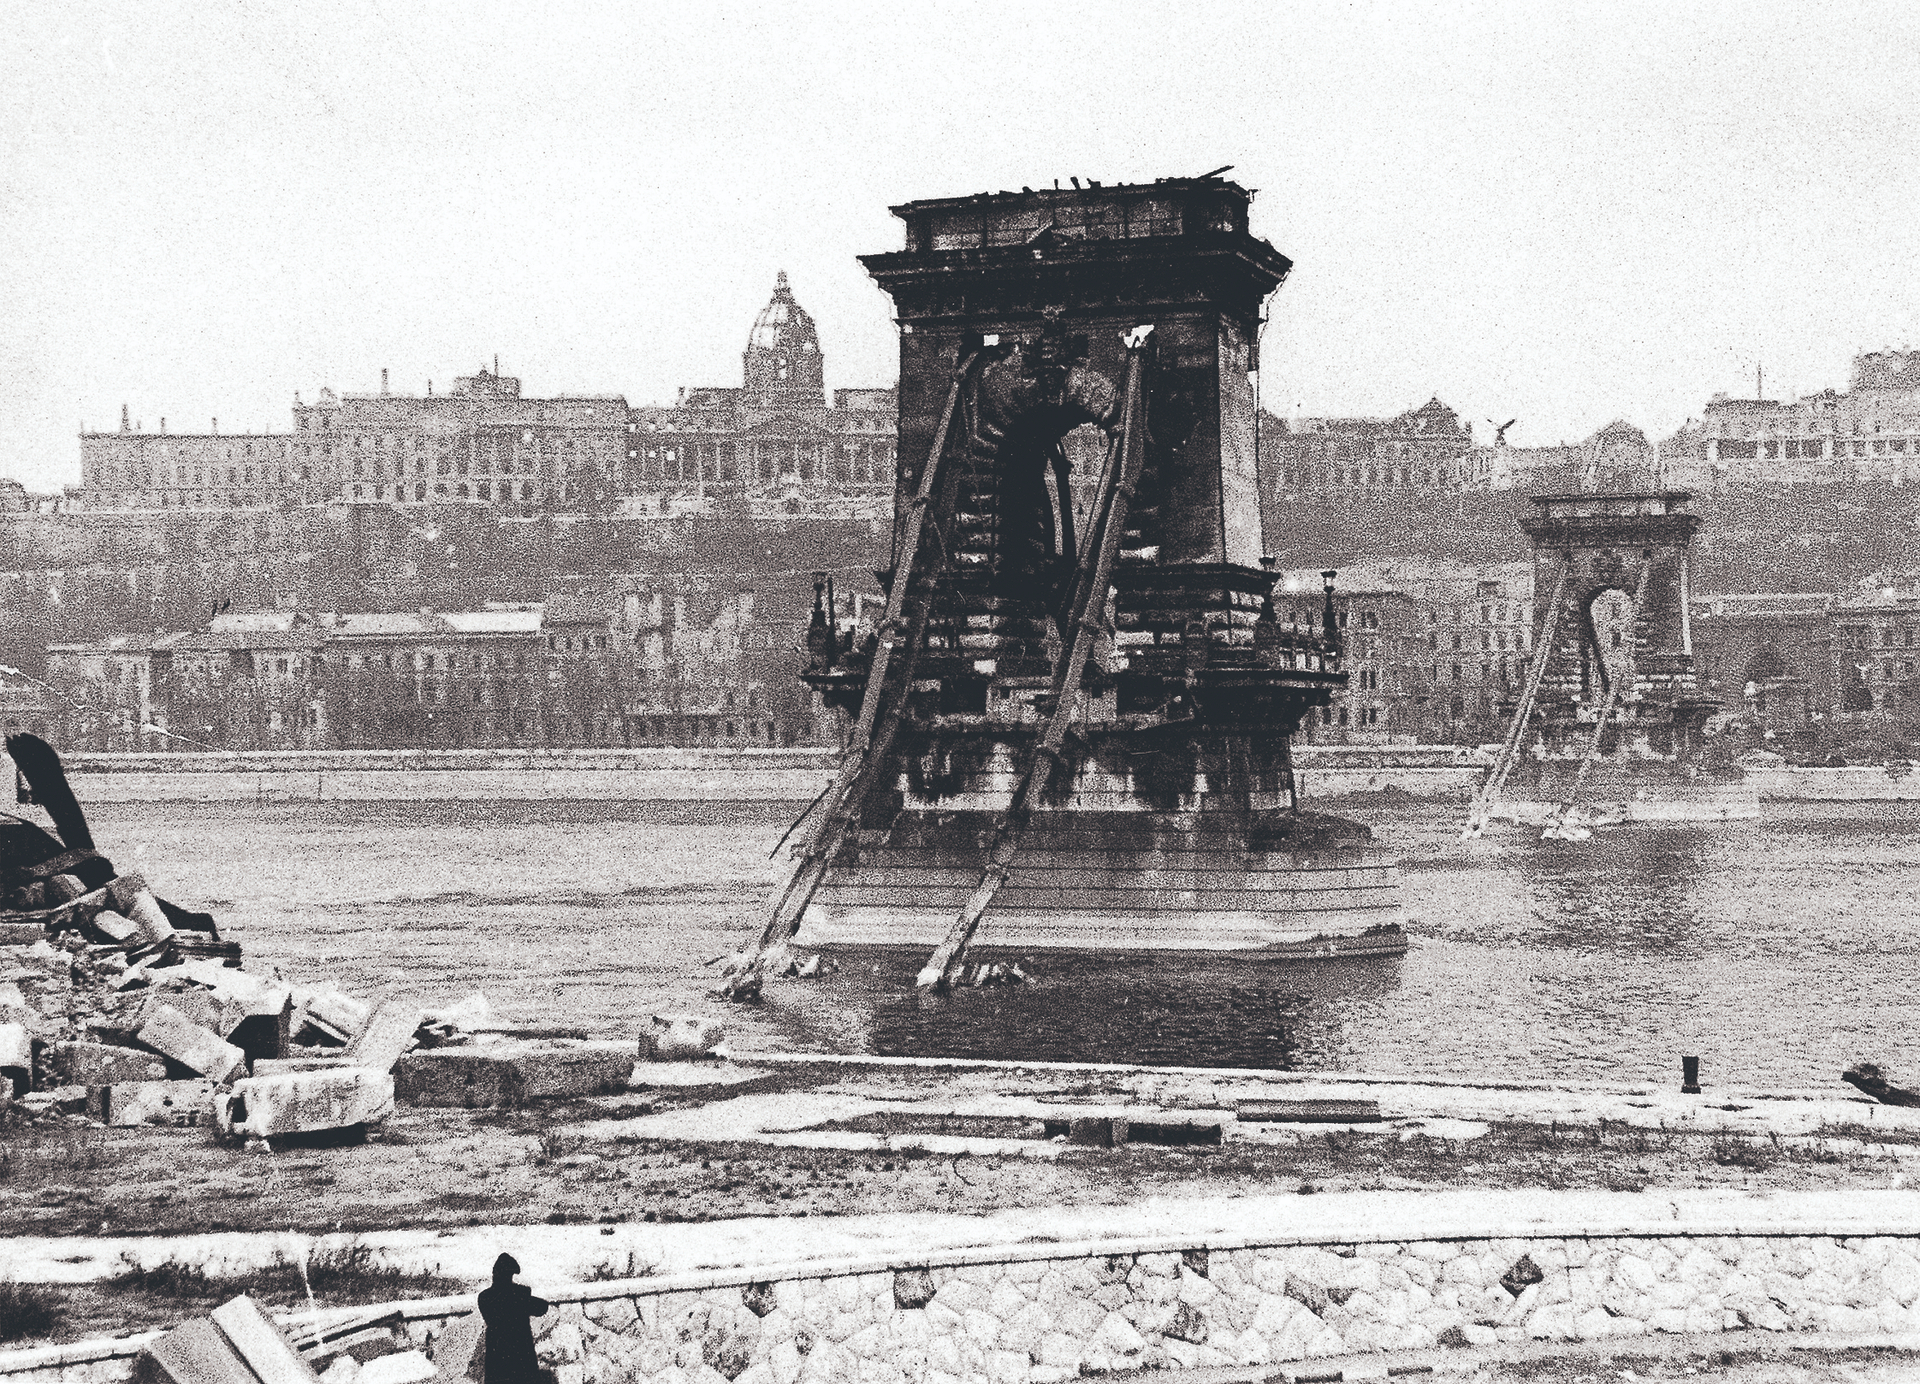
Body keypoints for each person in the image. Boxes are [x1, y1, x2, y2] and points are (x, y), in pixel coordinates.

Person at [478, 1253, 549, 1384]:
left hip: (497, 1355)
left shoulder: (484, 1297)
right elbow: (542, 1307)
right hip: (521, 1354)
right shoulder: (519, 1294)